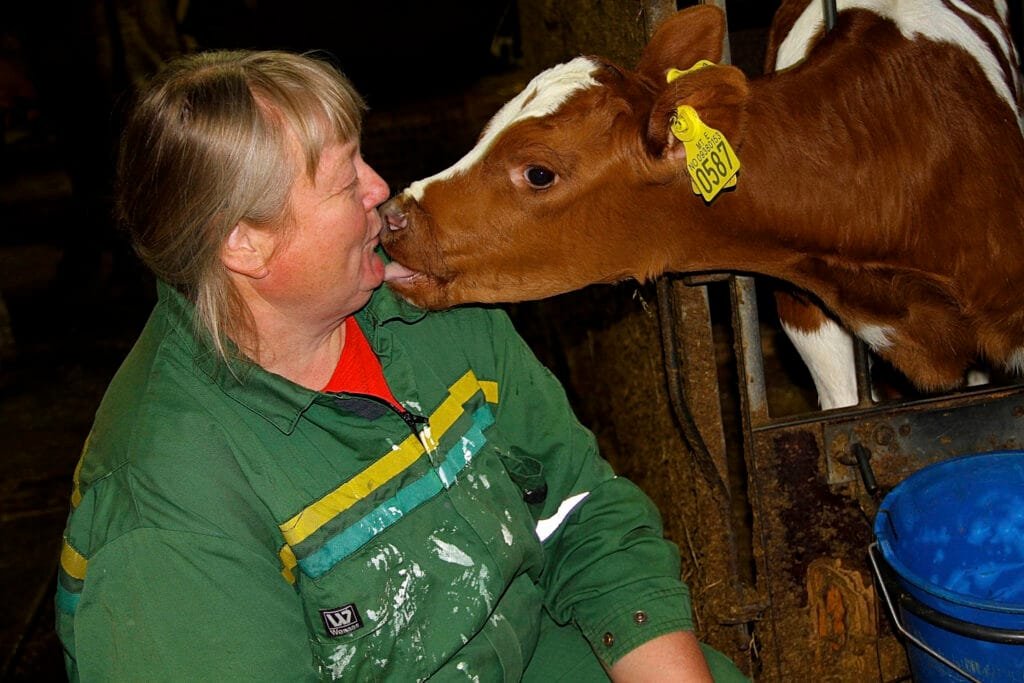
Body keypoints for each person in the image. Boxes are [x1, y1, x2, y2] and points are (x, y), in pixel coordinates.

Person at [54, 49, 747, 681]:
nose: (380, 187)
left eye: (365, 157)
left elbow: (579, 509)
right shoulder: (169, 503)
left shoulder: (425, 308)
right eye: (341, 179)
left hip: (525, 645)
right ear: (247, 244)